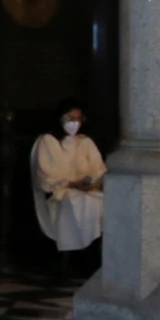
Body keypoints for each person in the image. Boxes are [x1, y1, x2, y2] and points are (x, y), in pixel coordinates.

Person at [30, 98, 106, 255]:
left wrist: (96, 182)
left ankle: (100, 250)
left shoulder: (85, 141)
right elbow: (47, 177)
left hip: (88, 190)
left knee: (105, 200)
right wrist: (72, 184)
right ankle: (84, 251)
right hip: (61, 194)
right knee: (84, 203)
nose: (74, 123)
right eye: (70, 118)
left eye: (78, 119)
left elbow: (99, 170)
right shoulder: (48, 141)